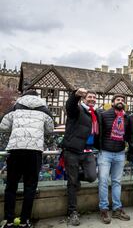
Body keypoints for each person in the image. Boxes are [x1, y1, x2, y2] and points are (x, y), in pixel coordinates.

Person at [0, 90, 54, 228]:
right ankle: (25, 221)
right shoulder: (44, 110)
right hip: (34, 151)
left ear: (23, 97)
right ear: (39, 98)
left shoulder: (15, 108)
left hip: (16, 149)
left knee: (11, 186)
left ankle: (9, 220)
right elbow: (50, 128)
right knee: (30, 187)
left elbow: (3, 126)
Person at [62, 88, 98, 226]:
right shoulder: (77, 110)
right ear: (84, 99)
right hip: (72, 150)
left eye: (94, 98)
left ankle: (75, 176)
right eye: (89, 97)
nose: (92, 99)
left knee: (91, 176)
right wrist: (75, 95)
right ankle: (72, 212)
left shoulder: (94, 113)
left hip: (88, 151)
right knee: (72, 183)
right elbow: (70, 106)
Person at [97, 94, 130, 224]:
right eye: (118, 100)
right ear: (112, 102)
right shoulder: (104, 115)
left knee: (117, 181)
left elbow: (127, 135)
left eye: (122, 100)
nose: (120, 101)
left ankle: (117, 208)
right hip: (105, 153)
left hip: (120, 153)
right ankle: (104, 209)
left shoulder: (126, 117)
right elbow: (98, 131)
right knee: (103, 181)